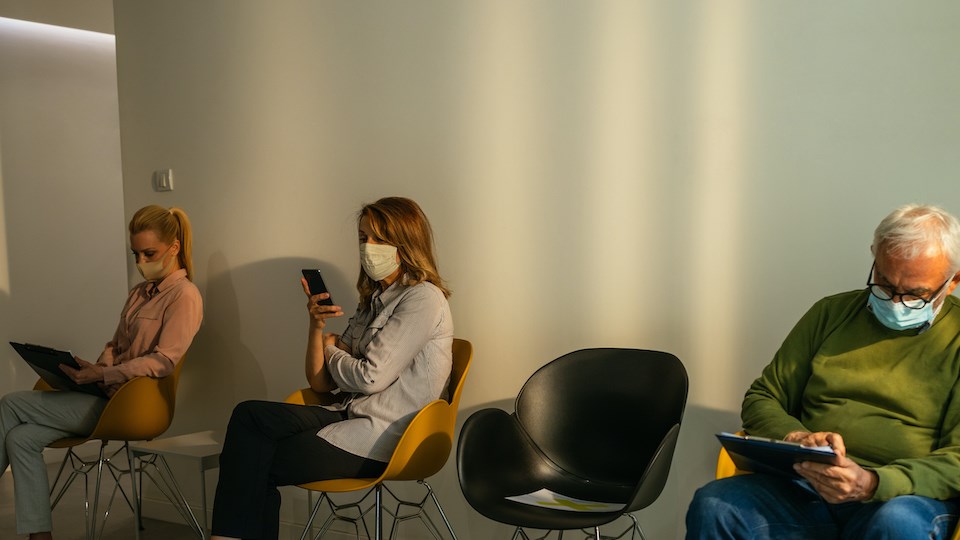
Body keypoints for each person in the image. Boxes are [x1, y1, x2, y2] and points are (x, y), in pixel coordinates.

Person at [686, 203, 960, 540]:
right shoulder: (830, 314)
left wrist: (873, 483)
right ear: (875, 256)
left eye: (915, 294)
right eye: (885, 284)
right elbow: (764, 397)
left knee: (895, 523)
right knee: (716, 505)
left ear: (952, 282)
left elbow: (957, 459)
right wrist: (797, 437)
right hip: (807, 487)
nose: (895, 302)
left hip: (905, 497)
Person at [210, 196, 454, 540]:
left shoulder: (422, 298)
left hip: (386, 436)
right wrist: (317, 329)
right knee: (249, 417)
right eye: (363, 238)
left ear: (405, 243)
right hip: (348, 412)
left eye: (379, 239)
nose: (368, 248)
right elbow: (320, 383)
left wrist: (334, 352)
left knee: (252, 461)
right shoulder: (372, 301)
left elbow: (370, 377)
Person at [0, 205, 203, 540]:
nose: (141, 261)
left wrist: (105, 376)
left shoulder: (185, 296)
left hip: (133, 406)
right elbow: (115, 344)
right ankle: (39, 536)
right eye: (136, 253)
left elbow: (164, 360)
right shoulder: (138, 294)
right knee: (20, 438)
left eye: (148, 253)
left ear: (174, 248)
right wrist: (97, 368)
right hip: (105, 394)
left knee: (10, 404)